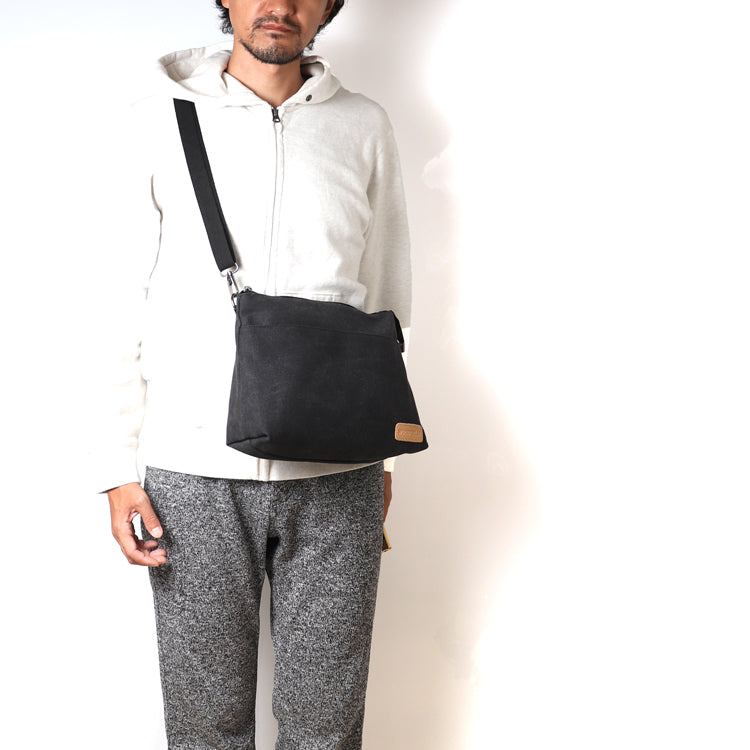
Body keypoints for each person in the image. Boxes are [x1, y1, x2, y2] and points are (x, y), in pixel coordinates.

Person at [96, 0, 413, 748]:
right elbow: (113, 303)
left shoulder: (364, 125)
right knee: (205, 729)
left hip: (339, 473)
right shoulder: (157, 120)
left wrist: (382, 452)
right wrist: (114, 467)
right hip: (191, 471)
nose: (280, 4)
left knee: (326, 728)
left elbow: (386, 306)